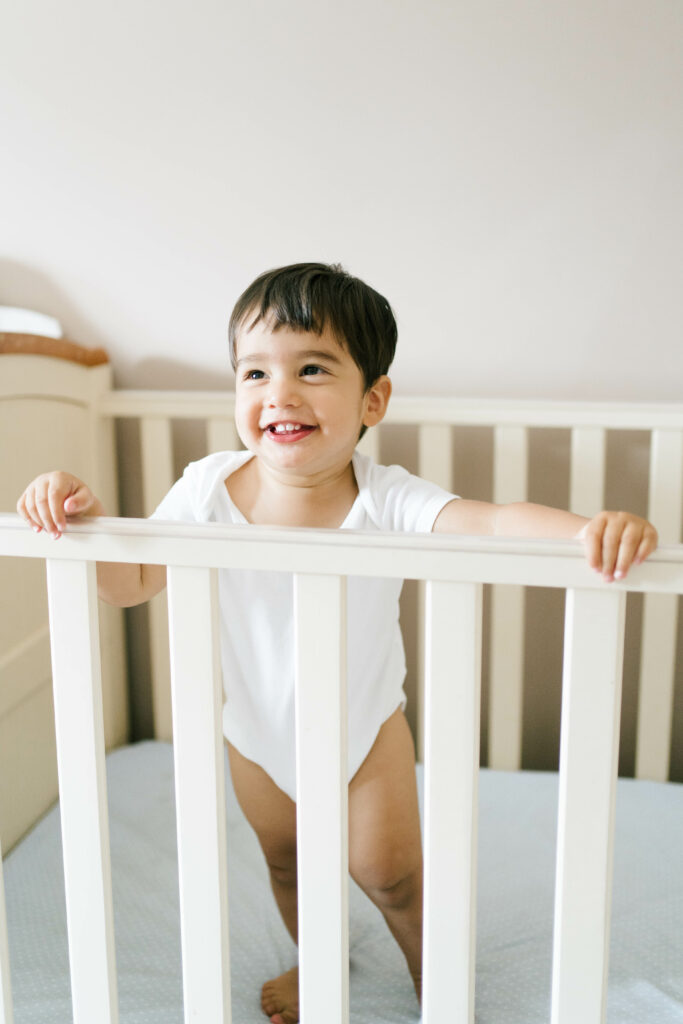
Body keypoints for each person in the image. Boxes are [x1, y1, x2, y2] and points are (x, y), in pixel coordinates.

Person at [17, 262, 658, 1024]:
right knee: (287, 865)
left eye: (312, 368)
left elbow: (490, 521)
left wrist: (589, 531)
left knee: (391, 877)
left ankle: (432, 973)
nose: (278, 393)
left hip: (363, 733)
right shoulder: (206, 492)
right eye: (254, 371)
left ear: (371, 399)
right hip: (255, 732)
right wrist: (82, 524)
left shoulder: (386, 498)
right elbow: (129, 585)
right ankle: (317, 959)